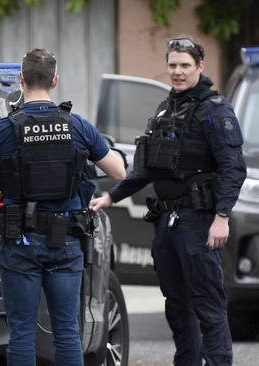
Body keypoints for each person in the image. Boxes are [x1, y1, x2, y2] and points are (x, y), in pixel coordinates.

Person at [90, 36, 246, 366]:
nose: (177, 72)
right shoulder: (166, 108)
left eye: (185, 65)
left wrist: (222, 217)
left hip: (200, 220)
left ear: (200, 67)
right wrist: (111, 197)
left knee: (208, 305)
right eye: (173, 65)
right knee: (176, 306)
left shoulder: (214, 111)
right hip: (168, 221)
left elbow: (234, 168)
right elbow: (145, 168)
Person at [0, 48, 126, 366]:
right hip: (66, 242)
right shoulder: (78, 127)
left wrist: (2, 169)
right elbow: (119, 172)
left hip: (20, 242)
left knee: (23, 333)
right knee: (67, 330)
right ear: (55, 80)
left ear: (20, 79)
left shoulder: (2, 130)